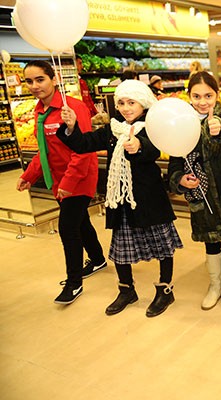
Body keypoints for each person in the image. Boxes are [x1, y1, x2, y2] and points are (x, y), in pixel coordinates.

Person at [57, 79, 183, 318]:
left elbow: (154, 149)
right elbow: (83, 144)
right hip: (121, 199)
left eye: (131, 102)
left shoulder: (153, 126)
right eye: (122, 103)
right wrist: (72, 127)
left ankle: (165, 290)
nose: (126, 108)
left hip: (149, 198)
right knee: (121, 248)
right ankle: (126, 290)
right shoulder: (112, 129)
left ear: (143, 104)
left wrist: (139, 146)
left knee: (163, 246)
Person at [17, 60, 106, 305]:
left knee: (67, 228)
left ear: (54, 79)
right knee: (81, 222)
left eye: (40, 79)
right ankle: (98, 259)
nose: (35, 86)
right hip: (58, 180)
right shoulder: (39, 111)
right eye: (29, 81)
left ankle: (74, 283)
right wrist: (28, 176)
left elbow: (83, 150)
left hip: (79, 178)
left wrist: (68, 182)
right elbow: (44, 151)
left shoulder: (73, 107)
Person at [167, 72, 221, 311]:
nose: (203, 102)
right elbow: (174, 163)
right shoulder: (181, 126)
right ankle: (215, 286)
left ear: (217, 95)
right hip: (200, 197)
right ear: (189, 96)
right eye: (197, 96)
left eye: (208, 96)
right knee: (210, 242)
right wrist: (180, 179)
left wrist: (218, 129)